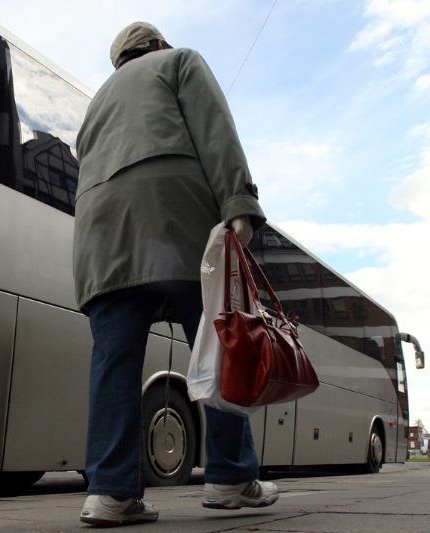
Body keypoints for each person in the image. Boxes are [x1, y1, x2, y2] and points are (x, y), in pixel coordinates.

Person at [73, 21, 278, 526]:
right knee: (219, 344)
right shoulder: (179, 61)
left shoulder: (97, 101)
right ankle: (230, 478)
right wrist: (239, 203)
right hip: (174, 211)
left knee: (114, 362)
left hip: (100, 232)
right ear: (157, 45)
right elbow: (214, 127)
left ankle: (110, 492)